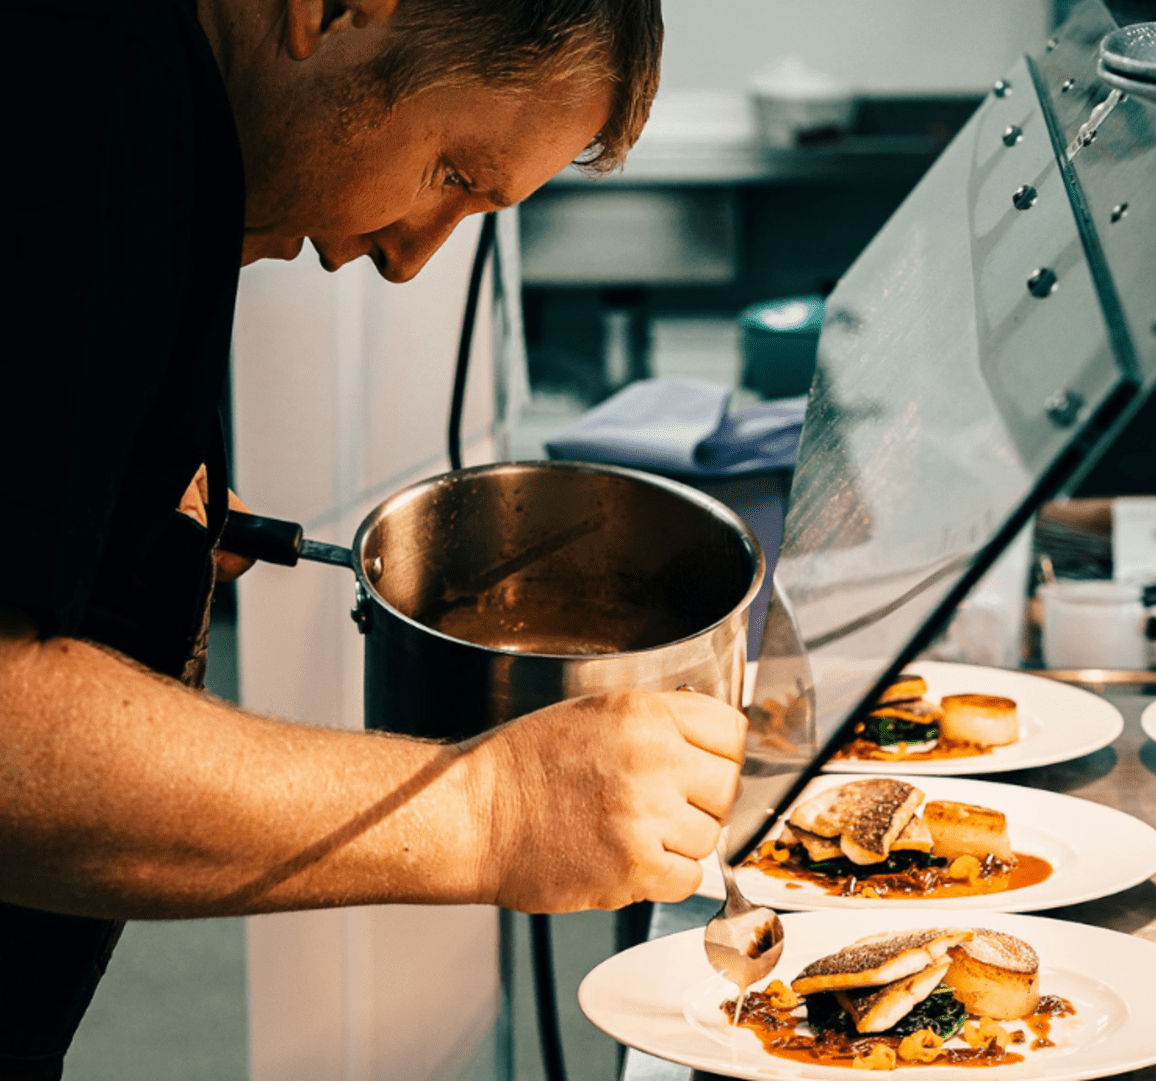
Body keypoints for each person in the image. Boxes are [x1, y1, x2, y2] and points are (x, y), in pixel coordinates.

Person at [1, 0, 746, 1075]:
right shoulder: (87, 87)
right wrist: (495, 811)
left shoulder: (181, 138)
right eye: (452, 173)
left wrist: (126, 525)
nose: (410, 257)